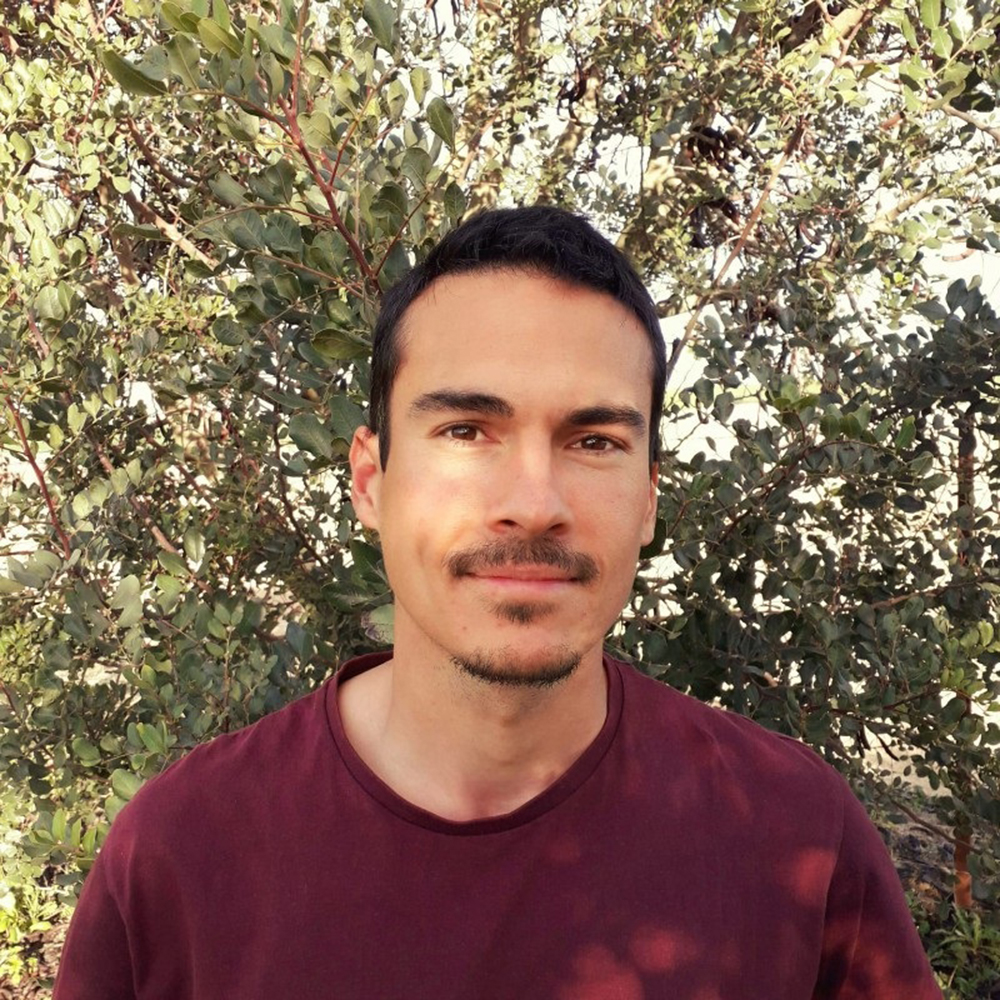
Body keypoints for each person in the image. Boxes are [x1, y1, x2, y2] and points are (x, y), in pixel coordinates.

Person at [54, 206, 942, 999]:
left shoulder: (797, 837)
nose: (535, 501)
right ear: (370, 481)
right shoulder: (179, 857)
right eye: (467, 430)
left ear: (647, 500)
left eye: (594, 440)